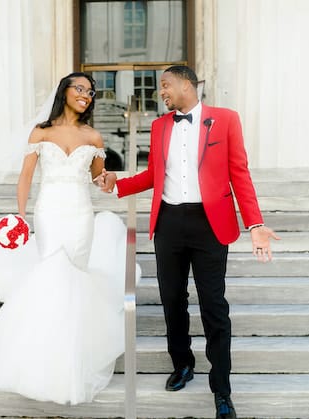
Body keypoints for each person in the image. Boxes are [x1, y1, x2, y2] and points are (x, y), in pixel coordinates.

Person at [97, 65, 280, 419]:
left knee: (214, 307)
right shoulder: (159, 125)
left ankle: (222, 389)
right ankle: (182, 364)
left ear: (185, 84)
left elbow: (239, 173)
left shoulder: (225, 120)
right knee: (172, 300)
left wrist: (254, 223)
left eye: (165, 85)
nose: (160, 92)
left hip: (210, 223)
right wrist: (117, 185)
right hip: (169, 223)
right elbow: (154, 175)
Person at [0, 72, 136, 405]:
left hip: (81, 213)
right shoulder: (40, 132)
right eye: (79, 88)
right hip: (50, 211)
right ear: (64, 91)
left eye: (91, 91)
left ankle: (72, 352)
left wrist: (111, 180)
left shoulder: (93, 137)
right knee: (51, 273)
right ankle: (41, 350)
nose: (86, 94)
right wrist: (20, 216)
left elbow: (98, 180)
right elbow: (26, 177)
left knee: (74, 276)